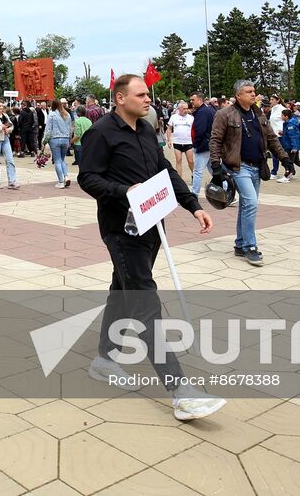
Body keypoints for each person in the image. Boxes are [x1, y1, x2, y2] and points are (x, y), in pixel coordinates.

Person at [78, 74, 223, 421]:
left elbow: (165, 173)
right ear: (119, 98)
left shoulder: (145, 131)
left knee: (122, 292)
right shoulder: (100, 133)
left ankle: (104, 359)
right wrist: (124, 191)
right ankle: (180, 391)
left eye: (148, 94)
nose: (148, 99)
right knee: (145, 302)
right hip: (120, 230)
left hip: (150, 228)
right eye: (141, 94)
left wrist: (194, 205)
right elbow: (88, 177)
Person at [209, 80, 291, 267]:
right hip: (239, 167)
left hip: (258, 166)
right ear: (238, 95)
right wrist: (216, 166)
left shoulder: (258, 112)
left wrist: (285, 158)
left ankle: (240, 244)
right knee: (251, 203)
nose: (254, 94)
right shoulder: (224, 114)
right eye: (249, 91)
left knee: (247, 205)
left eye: (254, 91)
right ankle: (250, 247)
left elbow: (271, 137)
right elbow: (215, 141)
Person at [189, 93, 216, 195]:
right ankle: (227, 188)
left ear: (200, 100)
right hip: (209, 143)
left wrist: (196, 144)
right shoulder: (208, 109)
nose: (191, 102)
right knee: (213, 169)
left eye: (193, 100)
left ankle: (194, 194)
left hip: (203, 145)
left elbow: (200, 130)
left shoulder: (202, 112)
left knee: (198, 171)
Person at [44, 98, 74, 188]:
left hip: (55, 139)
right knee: (62, 159)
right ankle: (66, 176)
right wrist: (69, 139)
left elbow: (48, 129)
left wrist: (44, 141)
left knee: (57, 160)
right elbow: (70, 129)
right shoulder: (67, 114)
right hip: (65, 139)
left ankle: (61, 182)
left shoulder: (52, 114)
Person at [166, 101, 195, 181]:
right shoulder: (173, 117)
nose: (186, 110)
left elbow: (194, 130)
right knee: (178, 160)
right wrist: (168, 140)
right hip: (177, 142)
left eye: (187, 108)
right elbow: (169, 129)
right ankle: (180, 179)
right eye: (184, 108)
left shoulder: (191, 118)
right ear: (179, 109)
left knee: (190, 161)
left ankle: (194, 175)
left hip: (188, 142)